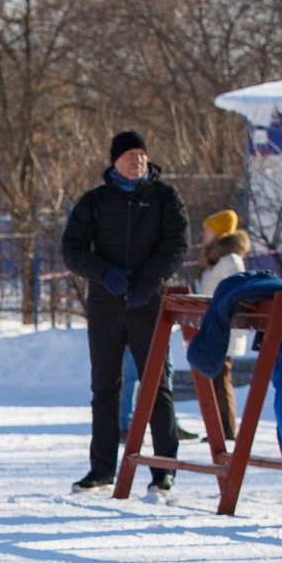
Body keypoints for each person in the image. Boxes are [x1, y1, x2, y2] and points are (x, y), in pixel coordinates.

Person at [62, 130, 188, 492]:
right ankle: (102, 470)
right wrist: (104, 274)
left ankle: (164, 470)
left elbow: (176, 245)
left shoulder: (165, 197)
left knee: (156, 386)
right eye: (130, 155)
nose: (138, 161)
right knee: (105, 387)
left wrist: (146, 282)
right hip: (106, 304)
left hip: (148, 304)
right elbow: (72, 249)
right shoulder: (96, 201)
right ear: (114, 161)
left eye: (142, 155)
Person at [194, 207, 254, 361]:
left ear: (218, 233)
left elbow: (236, 293)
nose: (203, 234)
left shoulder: (229, 260)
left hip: (224, 332)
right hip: (213, 330)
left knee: (219, 378)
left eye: (207, 230)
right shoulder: (215, 260)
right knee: (213, 379)